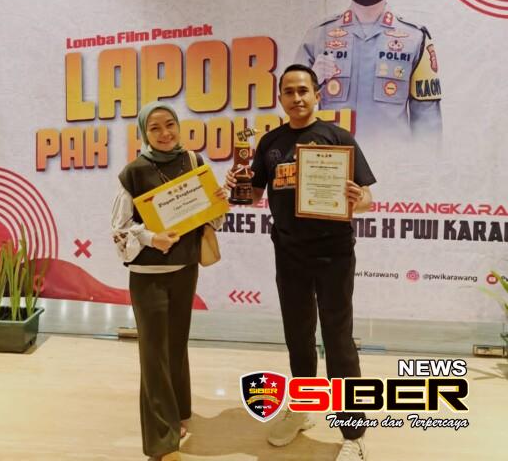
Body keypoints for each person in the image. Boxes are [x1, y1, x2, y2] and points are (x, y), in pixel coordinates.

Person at [226, 65, 376, 461]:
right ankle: (305, 407)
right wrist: (237, 186)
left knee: (338, 340)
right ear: (281, 98)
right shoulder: (270, 142)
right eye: (289, 92)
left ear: (316, 95)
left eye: (303, 90)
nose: (297, 98)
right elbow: (253, 195)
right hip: (289, 252)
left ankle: (353, 432)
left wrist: (356, 198)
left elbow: (366, 198)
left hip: (333, 253)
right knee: (298, 335)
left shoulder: (338, 138)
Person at [111, 101, 225, 461]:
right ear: (144, 133)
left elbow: (211, 220)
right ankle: (162, 444)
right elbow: (119, 229)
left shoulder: (193, 162)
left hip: (185, 270)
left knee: (175, 345)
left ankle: (179, 414)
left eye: (170, 124)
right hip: (148, 276)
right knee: (153, 353)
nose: (165, 133)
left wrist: (218, 203)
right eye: (155, 127)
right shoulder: (134, 172)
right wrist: (150, 238)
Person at [295, 0, 442, 141]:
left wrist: (424, 161)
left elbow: (427, 122)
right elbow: (291, 107)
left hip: (390, 156)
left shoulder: (415, 38)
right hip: (332, 155)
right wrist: (313, 81)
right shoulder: (318, 36)